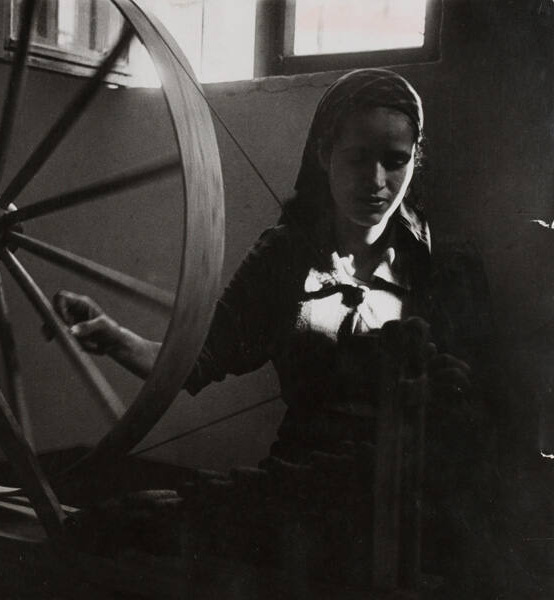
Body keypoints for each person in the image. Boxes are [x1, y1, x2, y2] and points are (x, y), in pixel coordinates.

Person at [55, 69, 496, 594]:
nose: (376, 181)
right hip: (293, 490)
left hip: (405, 498)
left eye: (395, 160)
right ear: (323, 154)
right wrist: (113, 336)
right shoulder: (284, 257)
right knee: (130, 521)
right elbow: (198, 358)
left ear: (414, 160)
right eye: (357, 158)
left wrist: (436, 394)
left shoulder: (447, 268)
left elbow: (475, 413)